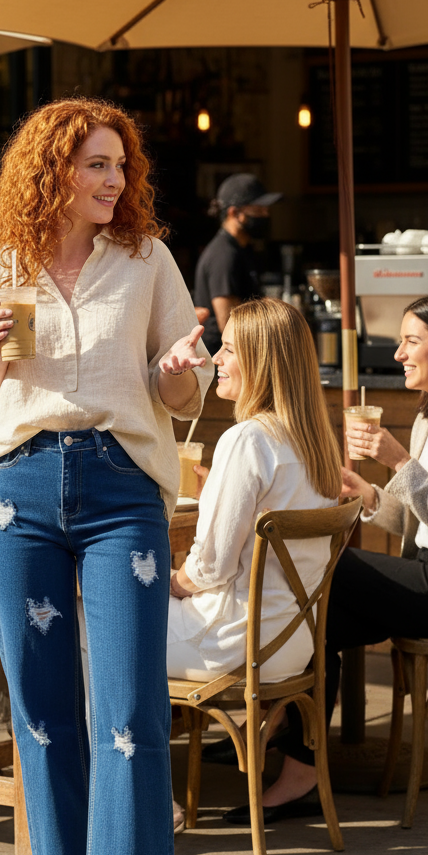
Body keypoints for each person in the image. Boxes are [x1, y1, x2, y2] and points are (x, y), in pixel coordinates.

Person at [0, 96, 213, 855]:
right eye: (96, 164)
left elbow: (181, 390)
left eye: (120, 165)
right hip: (18, 490)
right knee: (41, 701)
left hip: (118, 488)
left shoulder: (146, 261)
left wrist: (177, 373)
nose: (115, 180)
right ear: (51, 170)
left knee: (131, 704)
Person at [258, 292, 428, 822]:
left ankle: (271, 714)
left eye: (411, 341)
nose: (398, 353)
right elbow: (421, 522)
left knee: (334, 567)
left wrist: (397, 459)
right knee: (319, 623)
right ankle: (300, 762)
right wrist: (369, 496)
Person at [164, 300, 343, 818]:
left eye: (229, 349)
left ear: (262, 361)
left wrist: (171, 582)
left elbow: (210, 569)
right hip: (290, 646)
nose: (217, 358)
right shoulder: (315, 441)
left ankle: (142, 796)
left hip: (233, 642)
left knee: (93, 627)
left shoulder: (247, 439)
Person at [193, 173, 282, 356]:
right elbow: (229, 323)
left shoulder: (243, 248)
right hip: (222, 365)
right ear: (235, 213)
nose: (266, 215)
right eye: (259, 210)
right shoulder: (224, 255)